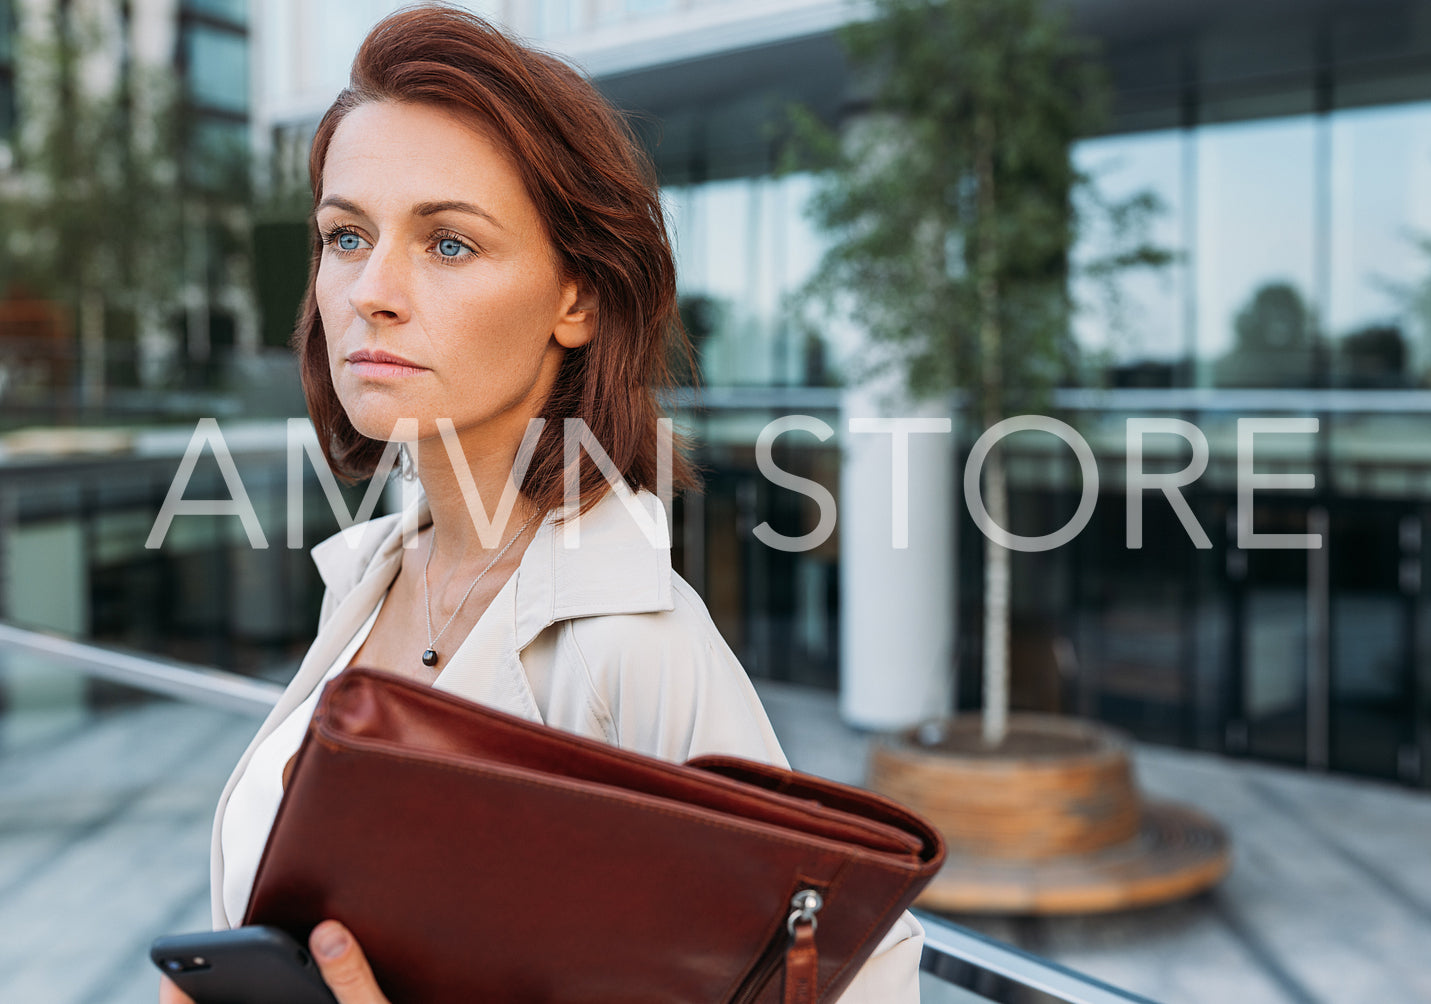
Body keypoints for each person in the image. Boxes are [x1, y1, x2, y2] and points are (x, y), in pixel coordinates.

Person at [161, 7, 924, 1003]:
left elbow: (862, 978)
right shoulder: (371, 577)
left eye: (447, 244)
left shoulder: (632, 643)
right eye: (346, 234)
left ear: (577, 299)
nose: (370, 291)